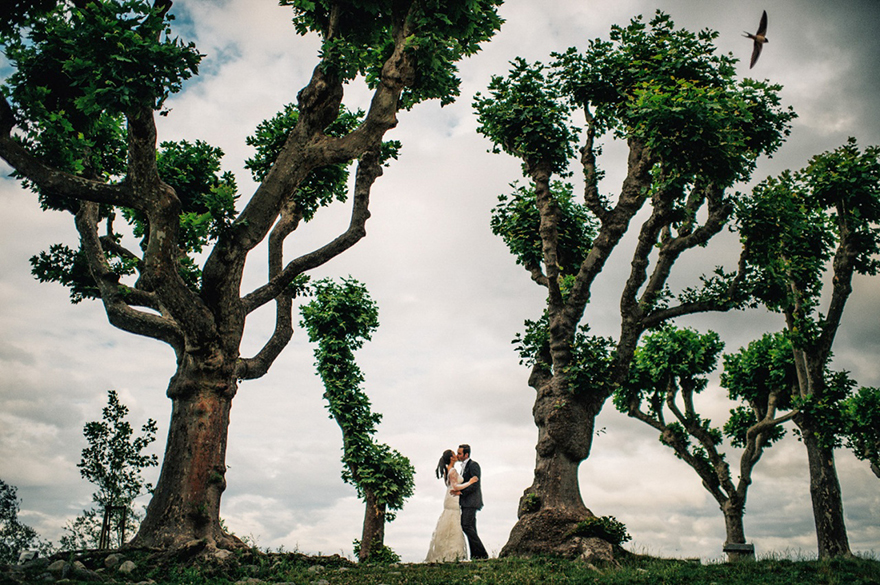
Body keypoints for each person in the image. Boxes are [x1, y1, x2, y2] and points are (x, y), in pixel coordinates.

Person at [425, 449, 476, 562]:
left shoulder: (447, 470)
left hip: (450, 496)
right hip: (453, 498)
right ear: (451, 458)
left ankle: (447, 552)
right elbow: (455, 486)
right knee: (454, 523)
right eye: (454, 454)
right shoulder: (452, 471)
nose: (456, 455)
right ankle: (453, 553)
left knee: (449, 522)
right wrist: (470, 483)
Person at [455, 444, 488, 559]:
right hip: (466, 502)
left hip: (471, 501)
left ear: (466, 454)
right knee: (471, 527)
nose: (457, 455)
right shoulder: (463, 467)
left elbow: (475, 484)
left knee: (466, 525)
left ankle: (482, 553)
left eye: (459, 453)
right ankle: (476, 555)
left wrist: (461, 492)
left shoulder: (474, 465)